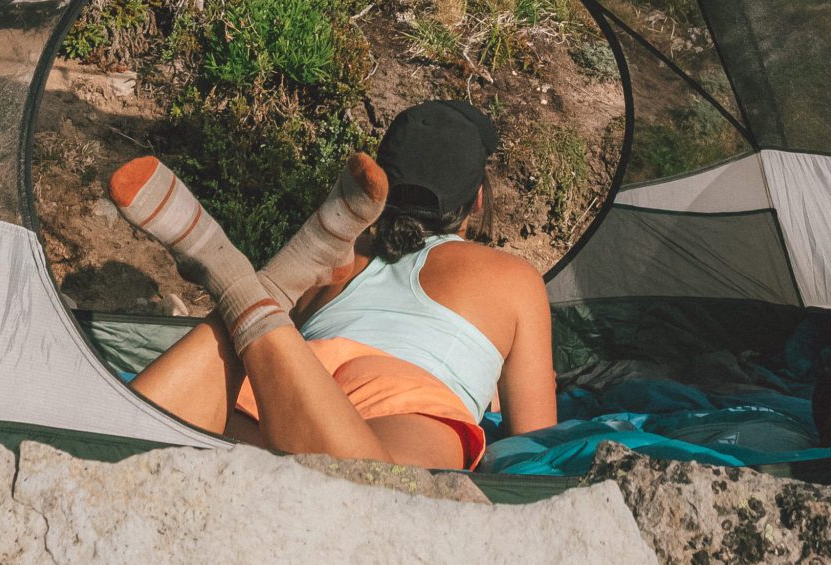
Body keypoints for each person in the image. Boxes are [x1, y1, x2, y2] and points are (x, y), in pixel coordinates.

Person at [113, 100, 556, 470]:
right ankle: (242, 288)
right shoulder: (512, 276)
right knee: (375, 492)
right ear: (477, 201)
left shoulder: (341, 262)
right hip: (402, 400)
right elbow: (534, 444)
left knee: (123, 441)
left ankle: (245, 287)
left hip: (295, 383)